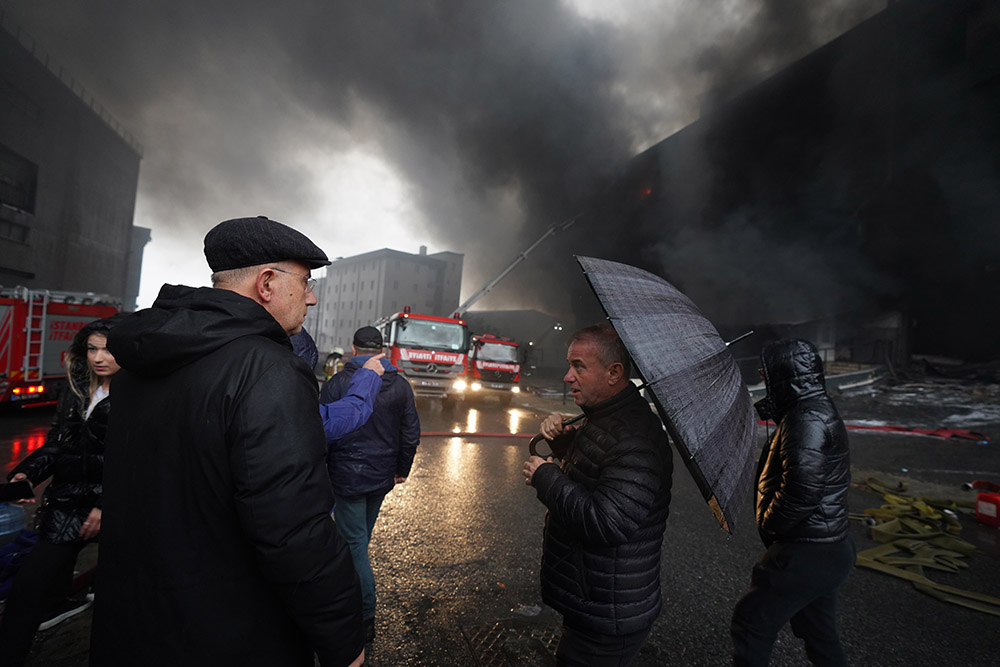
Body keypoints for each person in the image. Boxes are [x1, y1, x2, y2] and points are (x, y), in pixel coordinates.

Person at [91, 216, 365, 667]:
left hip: (136, 625)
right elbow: (293, 530)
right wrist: (344, 641)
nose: (312, 297)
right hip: (232, 635)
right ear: (267, 283)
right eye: (307, 281)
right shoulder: (267, 370)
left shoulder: (143, 357)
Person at [521, 323, 672, 667]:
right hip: (594, 599)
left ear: (614, 373)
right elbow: (597, 472)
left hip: (610, 614)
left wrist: (547, 477)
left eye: (578, 366)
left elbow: (607, 522)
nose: (567, 377)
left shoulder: (635, 437)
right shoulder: (604, 417)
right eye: (569, 365)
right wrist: (564, 443)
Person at [0, 314, 123, 666]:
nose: (99, 357)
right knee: (27, 590)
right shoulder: (78, 389)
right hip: (68, 503)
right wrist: (26, 473)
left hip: (115, 506)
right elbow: (58, 444)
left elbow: (138, 459)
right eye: (91, 349)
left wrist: (104, 505)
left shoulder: (138, 396)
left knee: (122, 597)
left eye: (108, 349)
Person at [730, 339, 854, 667]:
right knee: (819, 632)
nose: (762, 376)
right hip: (827, 547)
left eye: (767, 372)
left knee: (751, 621)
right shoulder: (807, 411)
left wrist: (769, 524)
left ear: (784, 375)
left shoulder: (806, 419)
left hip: (807, 550)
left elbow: (801, 493)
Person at [320, 326, 420, 644]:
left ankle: (364, 615)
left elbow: (323, 434)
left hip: (346, 479)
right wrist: (401, 469)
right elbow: (410, 432)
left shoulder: (337, 383)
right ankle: (354, 599)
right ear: (381, 351)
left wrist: (323, 473)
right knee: (359, 542)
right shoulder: (400, 386)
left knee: (355, 546)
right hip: (381, 478)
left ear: (353, 350)